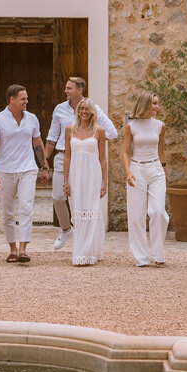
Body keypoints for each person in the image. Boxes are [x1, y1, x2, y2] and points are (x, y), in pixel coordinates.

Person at [44, 76, 118, 250]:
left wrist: (89, 142)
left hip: (86, 161)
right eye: (66, 87)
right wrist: (44, 163)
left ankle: (85, 241)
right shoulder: (59, 109)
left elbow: (113, 133)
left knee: (83, 202)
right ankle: (65, 229)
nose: (65, 91)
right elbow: (52, 137)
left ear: (80, 90)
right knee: (57, 196)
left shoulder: (94, 109)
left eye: (69, 88)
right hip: (64, 157)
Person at [0, 84, 48, 263]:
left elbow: (38, 143)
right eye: (23, 99)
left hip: (28, 169)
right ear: (12, 100)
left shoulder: (32, 119)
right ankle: (12, 248)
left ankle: (23, 249)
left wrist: (44, 167)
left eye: (26, 98)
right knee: (7, 212)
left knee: (27, 207)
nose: (26, 102)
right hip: (5, 171)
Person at [122, 91, 168, 267]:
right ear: (146, 104)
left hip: (156, 169)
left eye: (157, 103)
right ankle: (141, 257)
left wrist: (165, 172)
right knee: (136, 216)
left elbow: (161, 151)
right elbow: (126, 151)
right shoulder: (131, 127)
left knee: (157, 212)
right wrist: (128, 172)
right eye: (154, 103)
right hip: (137, 169)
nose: (157, 106)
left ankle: (158, 253)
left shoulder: (160, 126)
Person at [63, 99, 107, 266]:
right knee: (78, 212)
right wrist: (65, 180)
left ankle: (85, 253)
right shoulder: (69, 129)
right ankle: (83, 249)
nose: (84, 112)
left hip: (93, 175)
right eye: (81, 109)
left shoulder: (99, 131)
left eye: (87, 109)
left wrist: (105, 182)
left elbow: (103, 158)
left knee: (92, 211)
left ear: (92, 112)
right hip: (75, 175)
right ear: (77, 111)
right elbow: (67, 156)